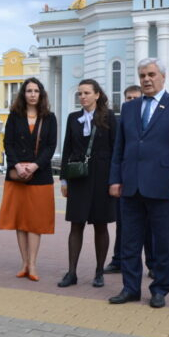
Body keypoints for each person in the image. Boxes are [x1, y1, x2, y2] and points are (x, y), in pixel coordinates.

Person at [108, 58, 169, 309]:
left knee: (163, 241)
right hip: (131, 185)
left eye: (151, 74)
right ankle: (130, 288)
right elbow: (120, 147)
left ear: (162, 77)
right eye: (143, 75)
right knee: (130, 241)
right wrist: (115, 179)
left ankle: (160, 289)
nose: (146, 79)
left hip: (164, 186)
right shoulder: (130, 108)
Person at [58, 79, 116, 288]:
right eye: (80, 93)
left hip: (102, 177)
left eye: (87, 93)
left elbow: (116, 149)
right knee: (76, 224)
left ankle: (99, 272)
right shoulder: (73, 118)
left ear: (97, 95)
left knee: (101, 225)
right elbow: (67, 149)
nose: (82, 97)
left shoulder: (109, 117)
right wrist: (64, 178)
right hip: (78, 177)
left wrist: (115, 180)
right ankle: (71, 272)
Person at [0, 77, 57, 281]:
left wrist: (34, 165)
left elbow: (51, 146)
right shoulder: (14, 116)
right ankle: (24, 263)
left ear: (41, 94)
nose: (32, 94)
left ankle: (33, 264)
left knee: (35, 222)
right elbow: (9, 143)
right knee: (20, 221)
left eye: (36, 91)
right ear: (23, 94)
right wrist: (16, 165)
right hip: (17, 175)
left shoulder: (49, 117)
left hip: (40, 175)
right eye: (29, 91)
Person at [103, 85, 155, 277]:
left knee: (149, 227)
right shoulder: (118, 121)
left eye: (135, 98)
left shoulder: (149, 119)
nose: (132, 101)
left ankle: (153, 264)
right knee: (123, 225)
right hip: (124, 181)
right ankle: (119, 260)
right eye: (128, 98)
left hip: (148, 180)